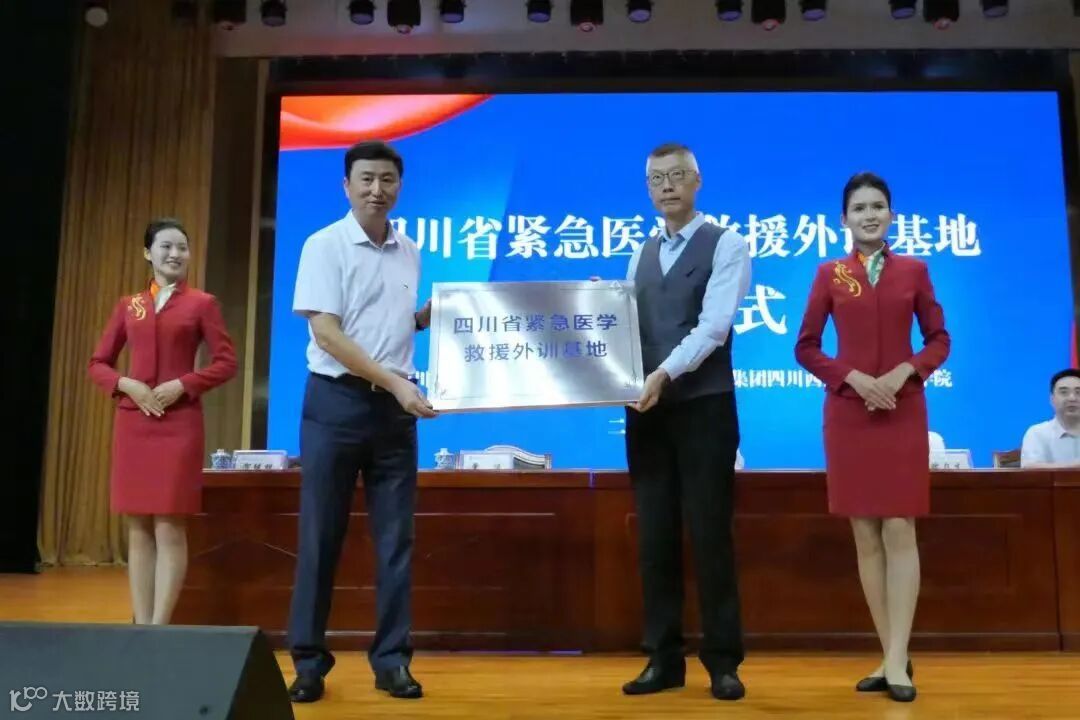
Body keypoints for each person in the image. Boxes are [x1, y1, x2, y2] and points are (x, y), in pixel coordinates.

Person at [286, 140, 436, 704]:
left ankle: (392, 661)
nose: (377, 189)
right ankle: (308, 663)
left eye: (387, 180)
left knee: (396, 541)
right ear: (346, 186)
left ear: (400, 186)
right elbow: (327, 334)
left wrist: (428, 318)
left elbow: (389, 324)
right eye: (367, 179)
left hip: (392, 415)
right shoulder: (323, 245)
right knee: (320, 536)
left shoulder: (410, 251)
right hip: (335, 406)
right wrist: (396, 383)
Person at [794, 172, 950, 703]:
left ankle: (897, 659)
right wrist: (854, 379)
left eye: (878, 206)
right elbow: (806, 347)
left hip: (902, 409)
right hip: (850, 412)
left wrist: (906, 371)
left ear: (891, 215)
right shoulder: (830, 274)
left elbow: (939, 339)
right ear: (844, 219)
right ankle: (891, 654)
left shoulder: (914, 271)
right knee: (865, 533)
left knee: (900, 527)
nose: (869, 215)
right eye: (859, 208)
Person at [622, 142, 751, 702]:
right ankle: (663, 659)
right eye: (657, 179)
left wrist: (663, 374)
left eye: (678, 175)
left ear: (697, 181)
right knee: (655, 536)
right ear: (648, 188)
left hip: (704, 408)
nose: (667, 186)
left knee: (709, 534)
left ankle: (723, 662)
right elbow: (624, 325)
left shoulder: (728, 244)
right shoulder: (641, 252)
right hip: (647, 413)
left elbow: (714, 326)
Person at [88, 218, 237, 625]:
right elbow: (98, 363)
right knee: (137, 527)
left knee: (170, 526)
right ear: (147, 253)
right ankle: (141, 624)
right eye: (166, 246)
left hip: (178, 423)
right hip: (133, 423)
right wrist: (126, 385)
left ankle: (160, 627)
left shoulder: (201, 304)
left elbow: (226, 362)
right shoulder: (129, 305)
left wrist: (184, 384)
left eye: (182, 248)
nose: (175, 254)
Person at [1020, 368, 1080, 467]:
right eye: (1064, 392)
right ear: (1052, 400)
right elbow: (1030, 467)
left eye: (1078, 392)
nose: (1072, 398)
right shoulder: (1037, 433)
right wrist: (1075, 466)